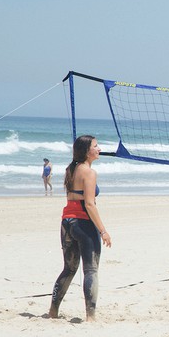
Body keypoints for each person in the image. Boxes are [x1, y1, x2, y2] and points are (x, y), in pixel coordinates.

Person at [49, 135, 112, 322]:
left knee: (69, 269)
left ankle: (53, 311)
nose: (99, 149)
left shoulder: (72, 168)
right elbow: (90, 204)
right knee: (90, 271)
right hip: (83, 224)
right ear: (87, 151)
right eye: (96, 146)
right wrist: (103, 231)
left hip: (67, 222)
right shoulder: (89, 173)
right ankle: (90, 317)